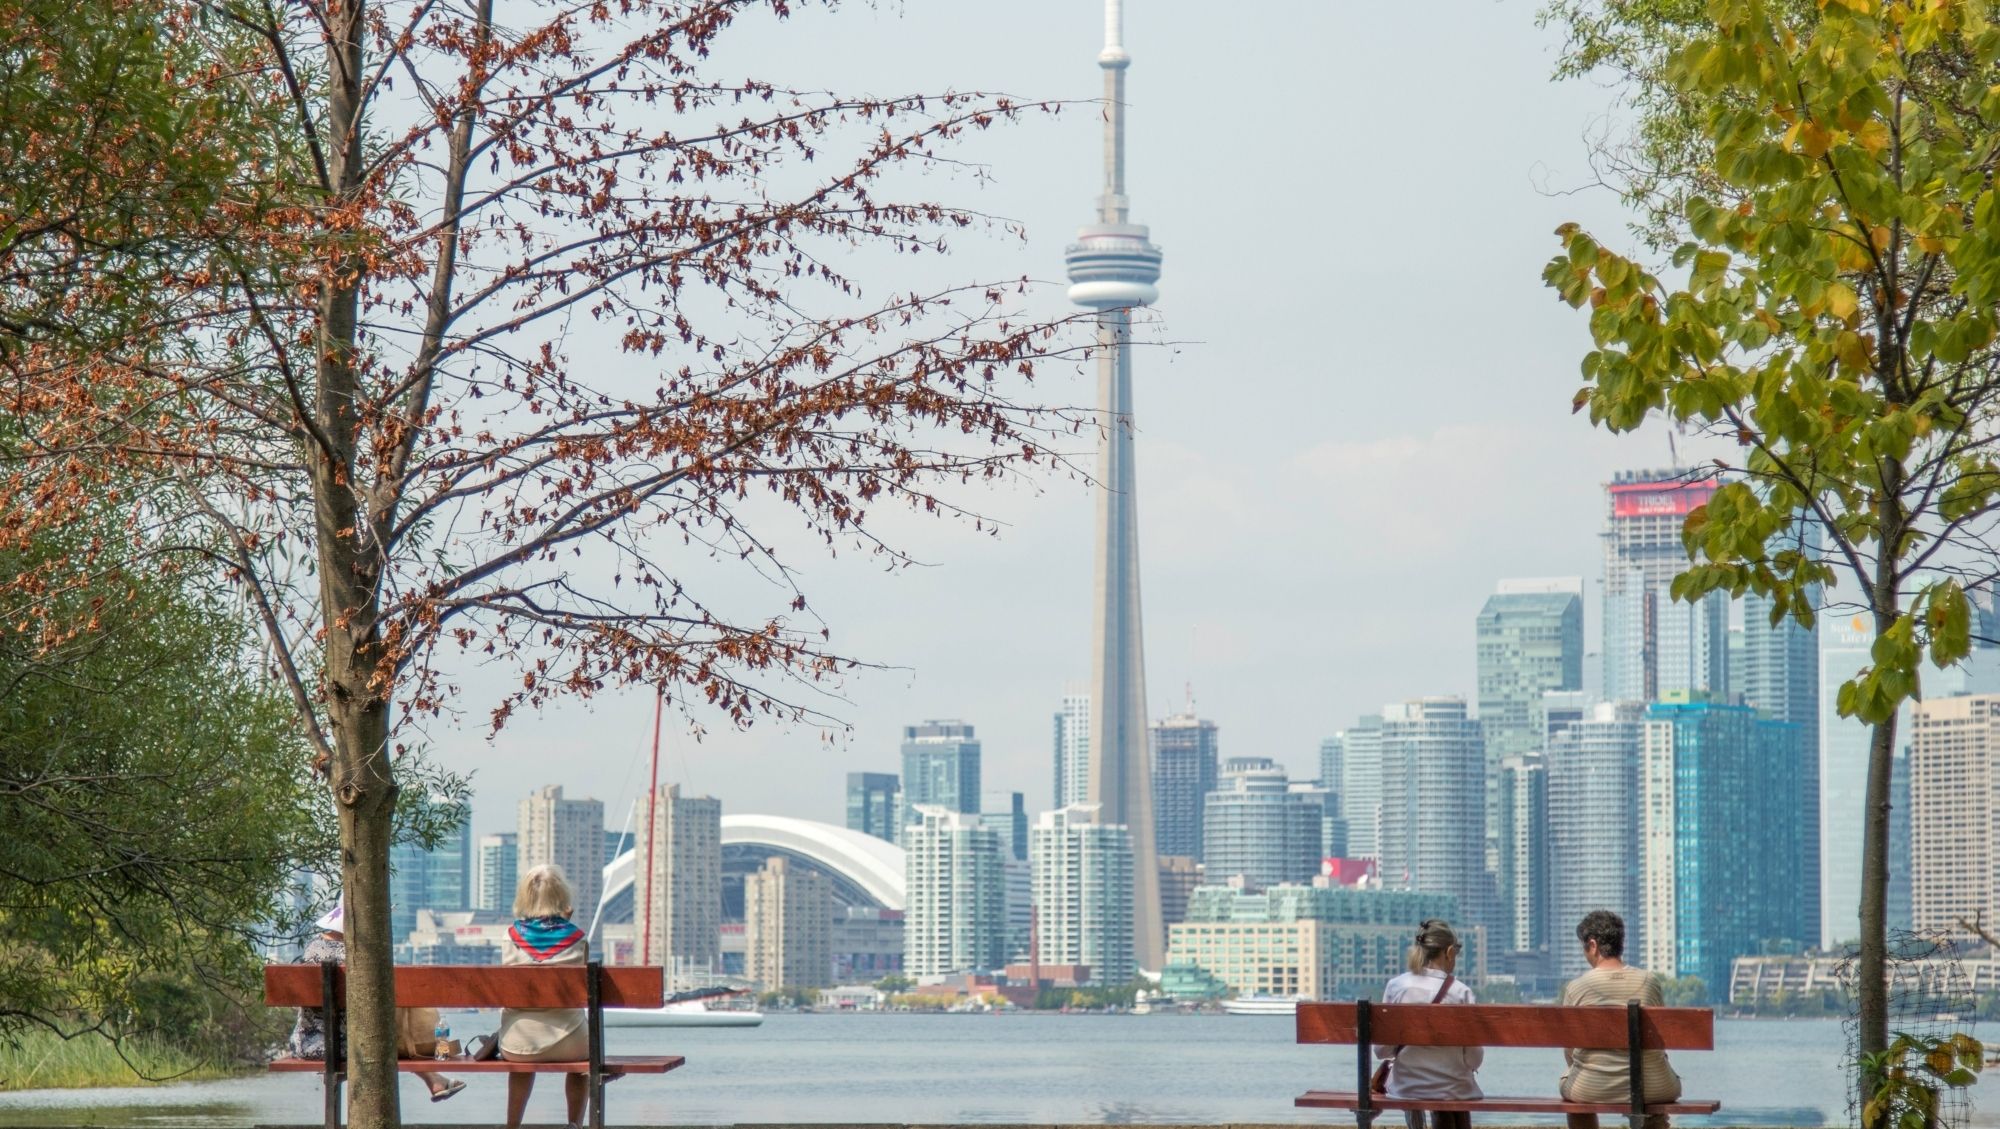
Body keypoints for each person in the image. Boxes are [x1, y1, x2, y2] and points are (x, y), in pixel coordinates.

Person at [286, 903, 465, 1103]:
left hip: (306, 1043)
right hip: (350, 1047)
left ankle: (434, 1080)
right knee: (385, 1043)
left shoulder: (312, 949)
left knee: (382, 1040)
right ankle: (433, 1080)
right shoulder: (359, 958)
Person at [1559, 910, 1682, 1129]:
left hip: (1591, 1086)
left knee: (1573, 1089)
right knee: (1652, 1080)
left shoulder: (1576, 988)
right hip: (1653, 1086)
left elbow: (1570, 1050)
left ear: (1593, 945)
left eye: (1584, 946)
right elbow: (1659, 1042)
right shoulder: (1649, 981)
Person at [498, 864, 592, 1129]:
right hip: (571, 1042)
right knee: (582, 1064)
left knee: (522, 1055)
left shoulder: (509, 937)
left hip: (516, 1043)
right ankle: (574, 1124)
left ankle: (512, 1126)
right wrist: (567, 922)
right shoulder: (578, 939)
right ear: (563, 896)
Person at [1376, 918, 1482, 1129]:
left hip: (1406, 1087)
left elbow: (1381, 1051)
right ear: (1449, 952)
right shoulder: (1461, 992)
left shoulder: (1396, 986)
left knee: (1423, 1090)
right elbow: (1474, 1058)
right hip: (1453, 1089)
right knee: (1454, 1088)